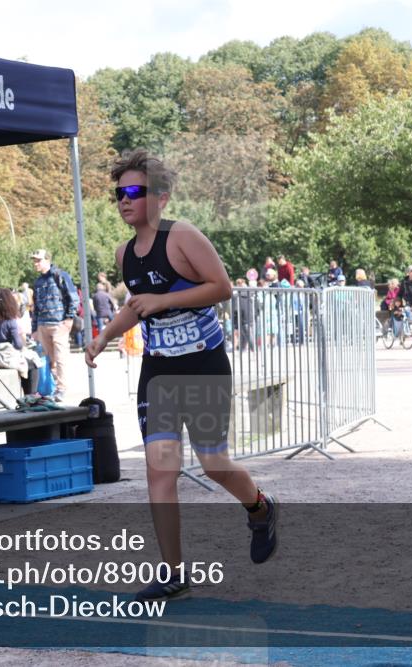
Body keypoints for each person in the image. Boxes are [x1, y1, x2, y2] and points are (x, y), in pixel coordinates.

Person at [85, 149, 278, 602]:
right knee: (160, 471)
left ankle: (261, 507)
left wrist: (165, 302)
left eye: (134, 192)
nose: (124, 201)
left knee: (213, 463)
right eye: (119, 194)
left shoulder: (182, 236)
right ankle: (173, 575)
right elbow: (138, 308)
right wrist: (102, 338)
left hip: (203, 365)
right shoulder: (124, 253)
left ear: (162, 198)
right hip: (159, 371)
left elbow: (222, 288)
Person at [31, 248, 78, 402]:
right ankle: (56, 388)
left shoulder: (60, 275)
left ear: (47, 260)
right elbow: (36, 306)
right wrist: (34, 329)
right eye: (34, 260)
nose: (35, 263)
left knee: (60, 358)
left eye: (38, 260)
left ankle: (61, 389)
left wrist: (69, 319)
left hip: (58, 324)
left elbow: (73, 297)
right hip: (43, 325)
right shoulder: (38, 282)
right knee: (51, 360)